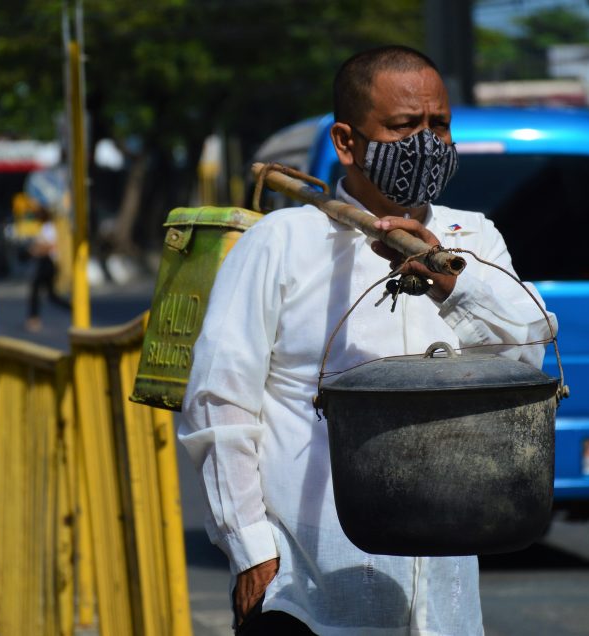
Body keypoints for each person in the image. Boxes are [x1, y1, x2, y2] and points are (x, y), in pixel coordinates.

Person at [179, 45, 556, 635]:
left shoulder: (474, 237)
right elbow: (218, 403)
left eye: (440, 125)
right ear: (347, 142)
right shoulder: (282, 243)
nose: (426, 143)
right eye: (405, 126)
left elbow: (528, 355)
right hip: (309, 595)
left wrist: (452, 280)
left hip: (443, 603)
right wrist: (251, 550)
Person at [25, 207, 71, 332]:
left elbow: (50, 246)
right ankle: (74, 309)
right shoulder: (44, 227)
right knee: (50, 295)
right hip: (45, 263)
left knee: (37, 291)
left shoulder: (48, 227)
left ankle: (34, 319)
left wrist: (36, 250)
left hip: (48, 263)